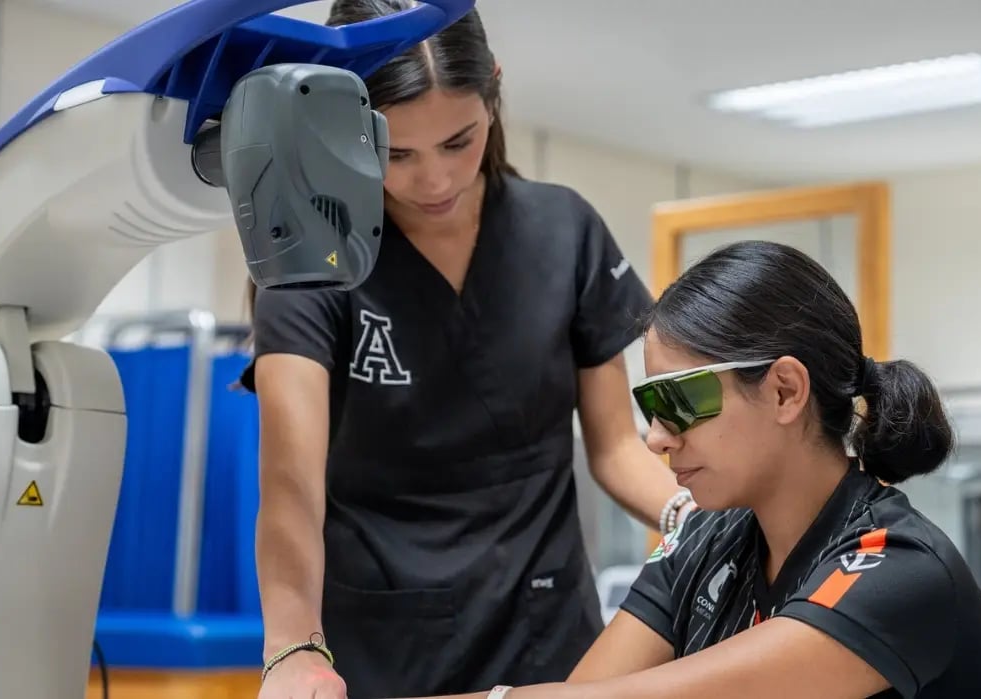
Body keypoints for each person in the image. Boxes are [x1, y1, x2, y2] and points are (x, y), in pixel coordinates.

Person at [239, 2, 692, 698]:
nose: (435, 181)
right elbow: (290, 485)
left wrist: (691, 518)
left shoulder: (563, 229)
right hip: (386, 641)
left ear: (494, 94)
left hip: (549, 630)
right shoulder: (313, 261)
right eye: (394, 154)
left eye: (459, 141)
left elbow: (614, 448)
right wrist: (291, 643)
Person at [401, 240, 981, 699]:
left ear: (786, 391)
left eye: (679, 402)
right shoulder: (708, 538)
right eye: (649, 406)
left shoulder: (898, 568)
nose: (657, 439)